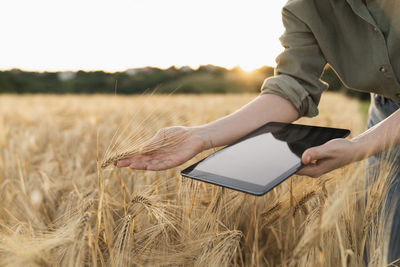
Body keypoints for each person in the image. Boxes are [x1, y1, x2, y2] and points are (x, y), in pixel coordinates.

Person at [117, 0, 400, 263]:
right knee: (387, 242)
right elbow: (292, 88)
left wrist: (361, 146)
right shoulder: (304, 7)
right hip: (389, 106)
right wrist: (200, 136)